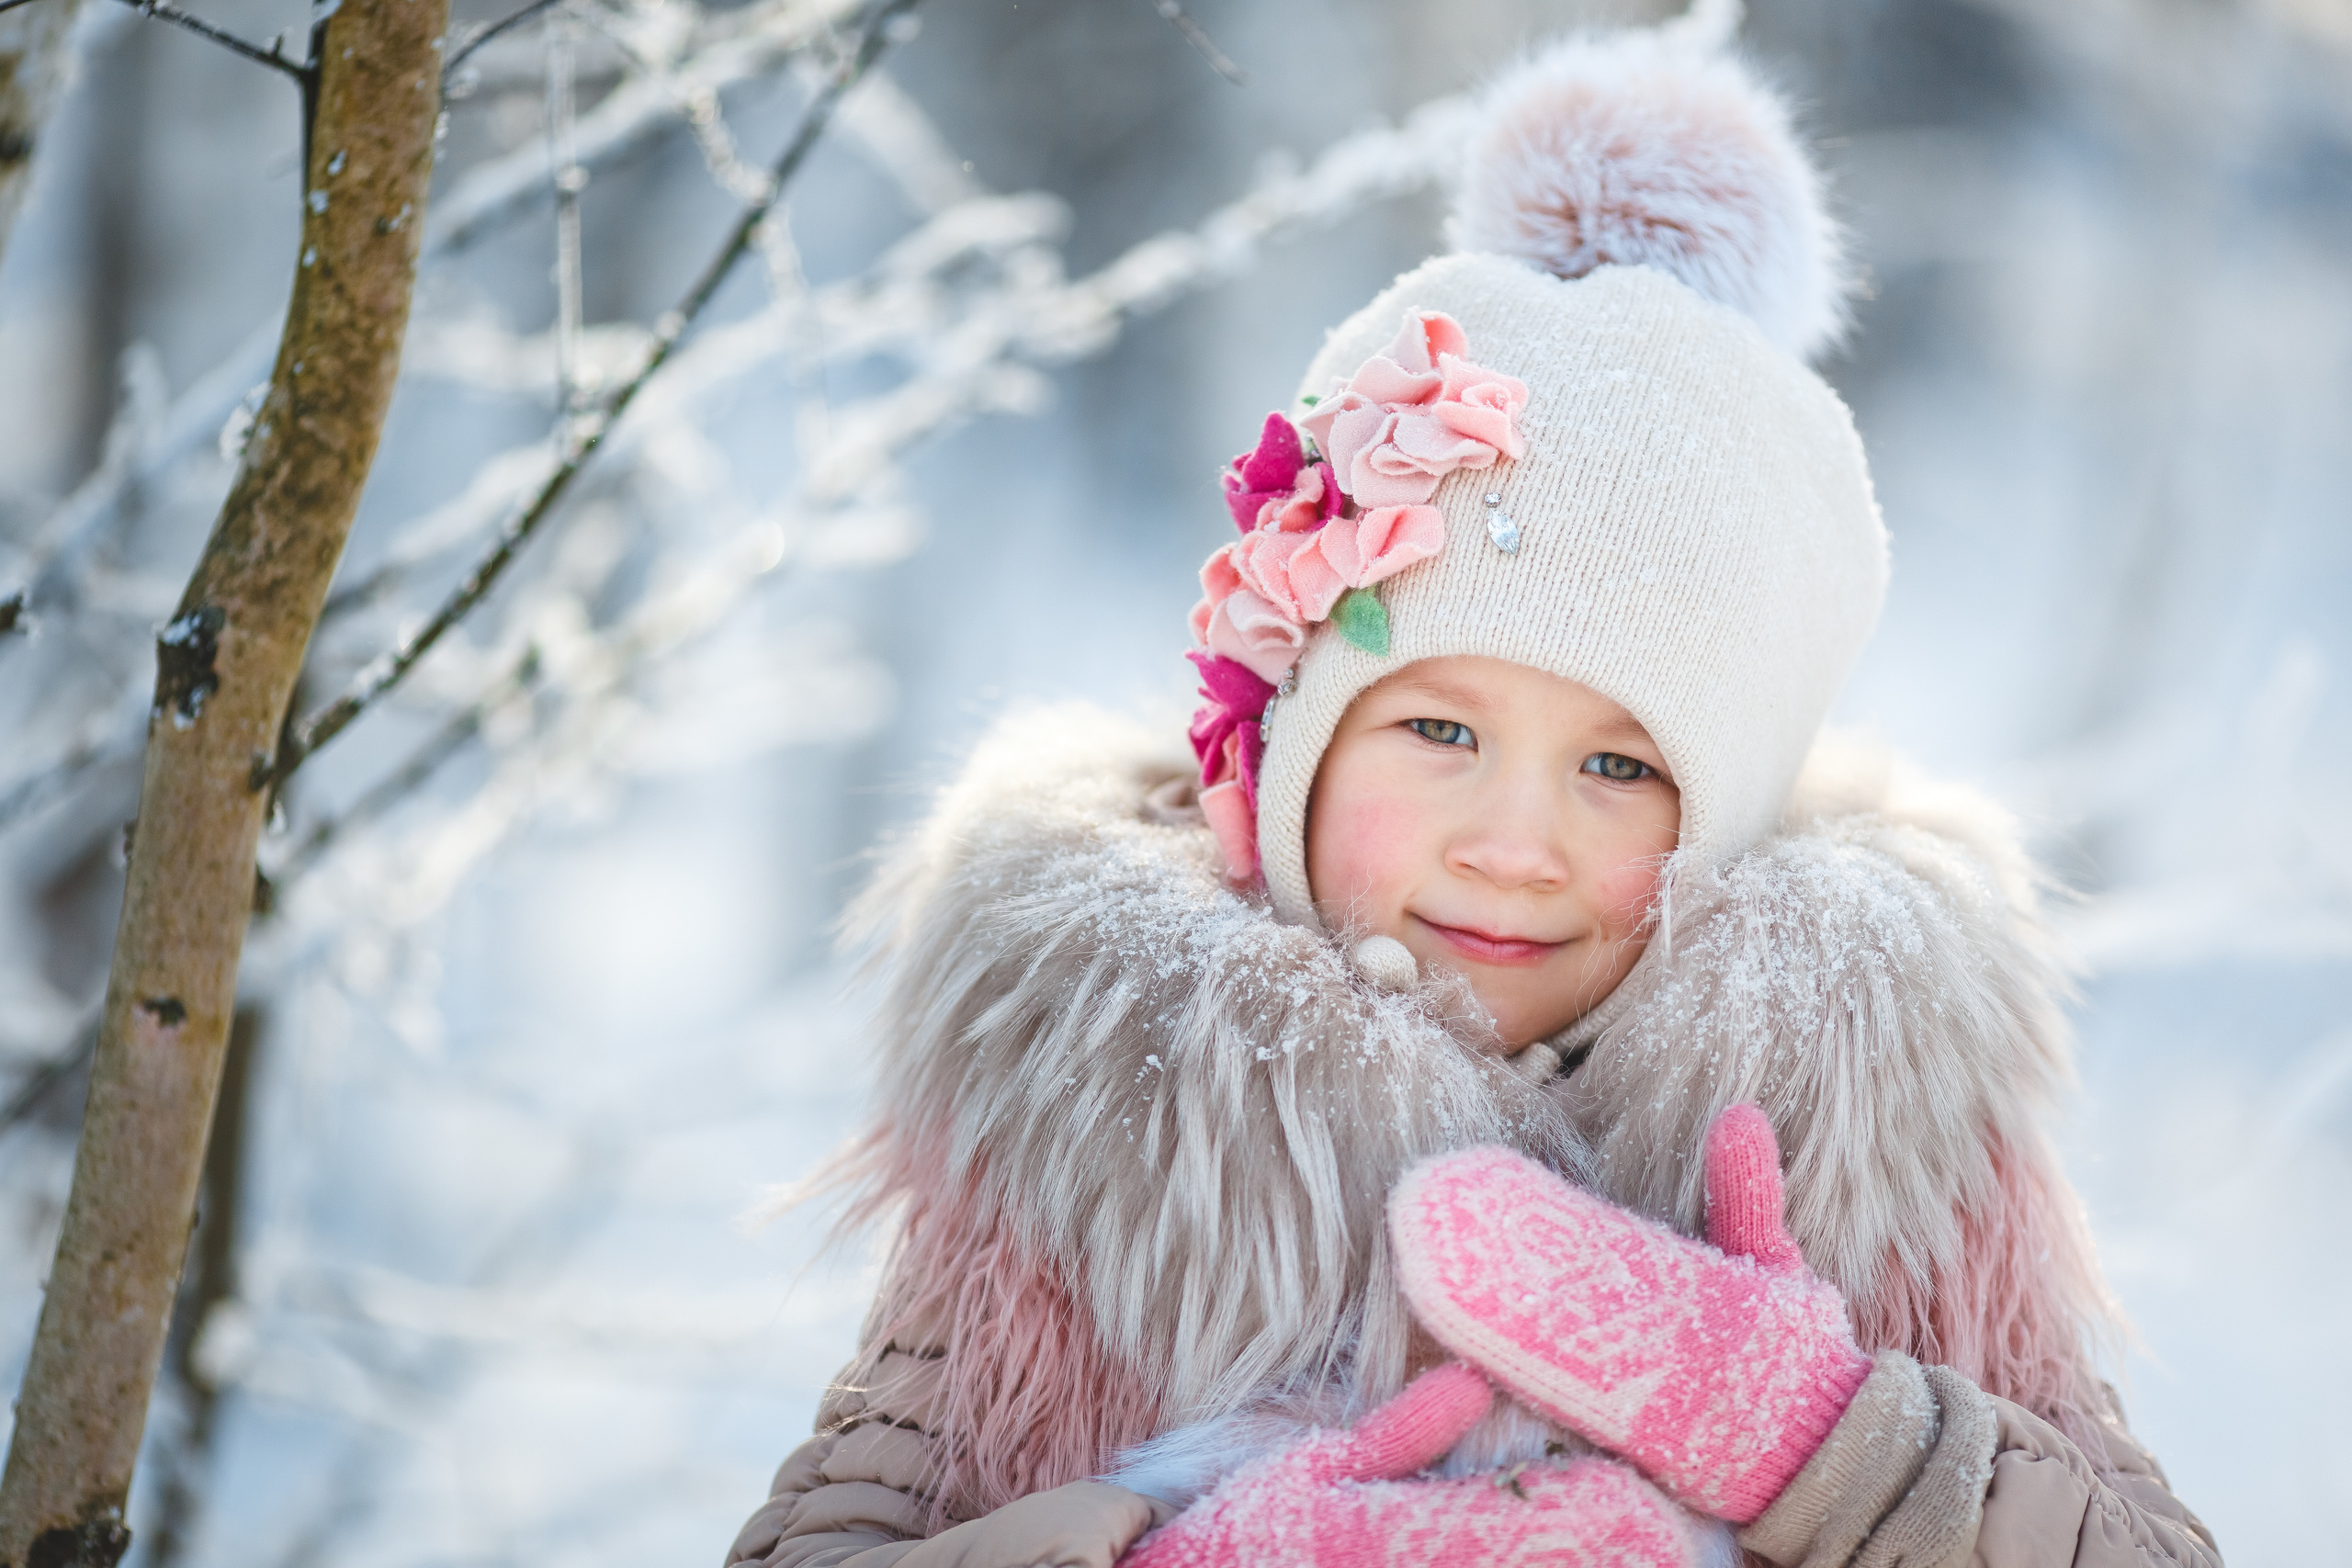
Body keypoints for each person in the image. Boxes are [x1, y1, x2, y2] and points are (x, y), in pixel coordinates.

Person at [726, 15, 2220, 1568]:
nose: (1517, 845)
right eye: (1439, 733)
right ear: (1296, 745)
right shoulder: (1105, 1106)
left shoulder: (1874, 1137)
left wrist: (1820, 1441)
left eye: (1620, 767)